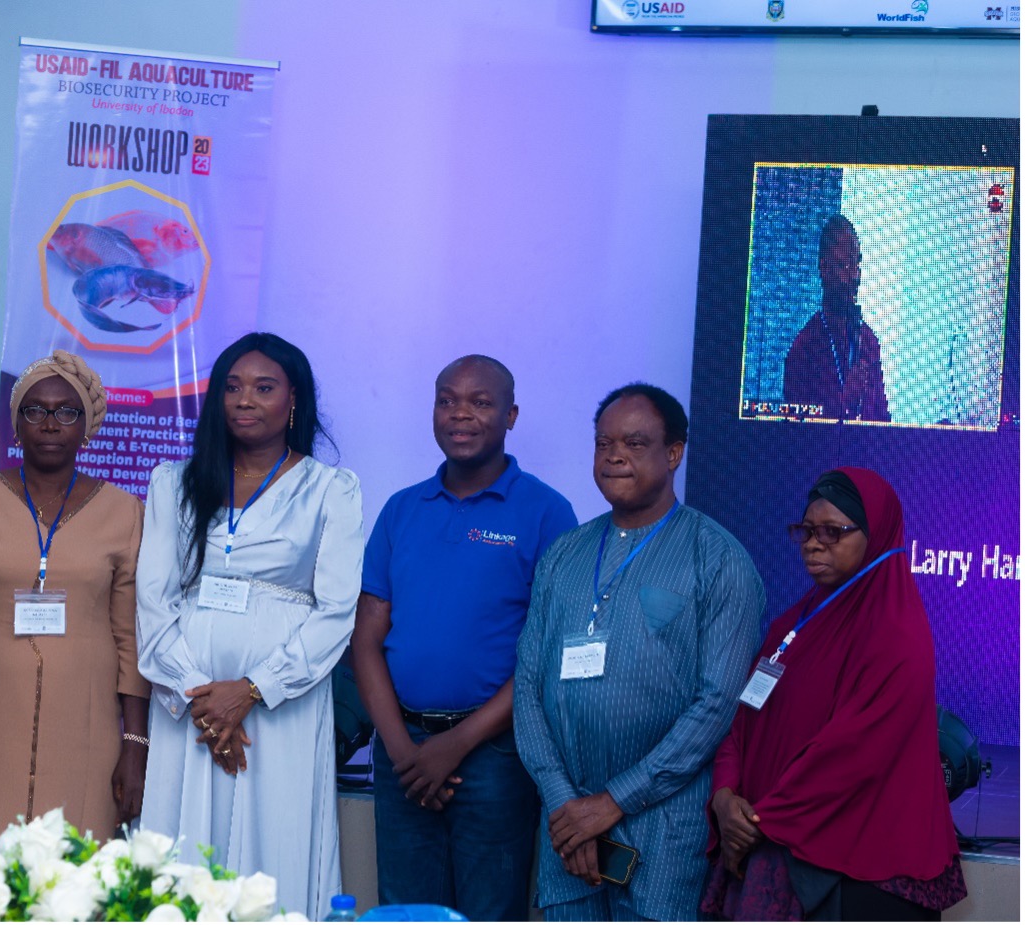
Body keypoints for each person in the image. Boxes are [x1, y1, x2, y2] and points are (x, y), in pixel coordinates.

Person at [513, 382, 766, 921]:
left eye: (634, 443)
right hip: (567, 832)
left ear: (674, 453)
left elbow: (717, 705)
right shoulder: (564, 555)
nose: (615, 456)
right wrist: (565, 804)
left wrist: (610, 804)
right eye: (604, 444)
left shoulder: (718, 560)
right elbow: (529, 688)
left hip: (664, 833)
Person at [136, 332, 363, 919]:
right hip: (189, 705)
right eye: (232, 387)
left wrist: (252, 689)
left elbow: (336, 612)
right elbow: (153, 600)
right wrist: (203, 697)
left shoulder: (330, 489)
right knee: (184, 852)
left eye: (264, 388)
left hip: (282, 707)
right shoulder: (174, 483)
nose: (245, 400)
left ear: (293, 401)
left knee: (275, 842)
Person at [351, 354, 577, 920]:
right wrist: (404, 750)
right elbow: (366, 641)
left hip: (495, 758)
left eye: (481, 402)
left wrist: (456, 744)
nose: (461, 414)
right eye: (447, 399)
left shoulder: (548, 513)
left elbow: (545, 656)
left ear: (511, 415)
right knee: (405, 913)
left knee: (489, 912)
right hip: (403, 752)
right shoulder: (402, 509)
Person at [701, 467, 966, 921]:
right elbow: (741, 720)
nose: (812, 543)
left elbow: (851, 756)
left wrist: (756, 822)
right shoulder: (791, 623)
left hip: (856, 871)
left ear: (876, 536)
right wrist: (725, 798)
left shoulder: (898, 634)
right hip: (767, 839)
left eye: (832, 532)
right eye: (805, 530)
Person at [0, 350, 149, 845]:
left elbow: (131, 637)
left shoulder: (126, 513)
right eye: (35, 410)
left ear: (87, 426)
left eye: (67, 411)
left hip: (86, 729)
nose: (50, 423)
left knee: (73, 878)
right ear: (15, 424)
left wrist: (135, 746)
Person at [783, 214, 890, 422]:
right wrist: (844, 399)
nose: (855, 277)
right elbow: (793, 437)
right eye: (845, 266)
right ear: (824, 269)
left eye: (857, 264)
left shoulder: (868, 341)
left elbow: (883, 423)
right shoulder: (804, 348)